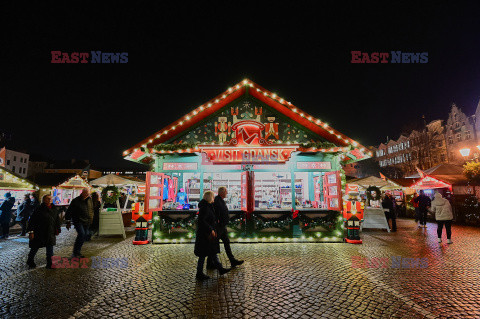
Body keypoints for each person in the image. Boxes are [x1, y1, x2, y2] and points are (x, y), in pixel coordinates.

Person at [194, 191, 231, 280]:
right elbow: (202, 221)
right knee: (204, 255)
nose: (214, 198)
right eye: (213, 197)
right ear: (210, 197)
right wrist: (211, 229)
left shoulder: (207, 206)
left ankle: (220, 268)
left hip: (207, 234)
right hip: (205, 235)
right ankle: (199, 273)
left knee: (212, 252)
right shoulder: (205, 208)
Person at [207, 187, 243, 269]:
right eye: (226, 191)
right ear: (222, 192)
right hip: (219, 227)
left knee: (225, 243)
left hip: (222, 226)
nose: (227, 193)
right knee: (215, 245)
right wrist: (218, 222)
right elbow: (216, 213)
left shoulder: (220, 200)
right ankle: (210, 264)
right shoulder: (217, 201)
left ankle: (232, 260)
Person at [26, 194, 61, 269]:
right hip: (39, 231)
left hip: (50, 231)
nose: (50, 200)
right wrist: (31, 232)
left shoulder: (54, 209)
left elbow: (57, 220)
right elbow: (32, 221)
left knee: (50, 248)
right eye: (48, 198)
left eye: (50, 198)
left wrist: (58, 229)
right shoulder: (39, 209)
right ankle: (30, 260)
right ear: (44, 200)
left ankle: (50, 263)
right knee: (35, 247)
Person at [65, 188, 93, 258]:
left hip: (87, 221)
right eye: (85, 193)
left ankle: (78, 251)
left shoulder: (90, 200)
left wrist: (91, 218)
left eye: (87, 193)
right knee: (81, 234)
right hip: (78, 220)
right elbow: (69, 211)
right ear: (82, 193)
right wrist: (68, 221)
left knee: (85, 235)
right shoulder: (76, 200)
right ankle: (76, 252)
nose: (86, 194)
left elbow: (91, 209)